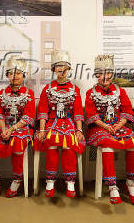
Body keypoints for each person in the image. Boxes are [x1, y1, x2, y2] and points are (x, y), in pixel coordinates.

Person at [85, 54, 134, 205]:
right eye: (101, 73)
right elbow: (92, 115)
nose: (105, 77)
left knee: (133, 142)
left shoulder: (121, 92)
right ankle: (112, 186)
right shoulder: (90, 93)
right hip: (99, 129)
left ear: (112, 74)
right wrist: (106, 126)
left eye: (108, 73)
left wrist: (118, 125)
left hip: (118, 127)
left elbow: (127, 112)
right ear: (96, 75)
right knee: (107, 143)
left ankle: (131, 183)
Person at [0, 55, 35, 197]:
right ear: (7, 76)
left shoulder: (30, 94)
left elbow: (28, 117)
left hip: (21, 128)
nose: (14, 76)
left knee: (17, 141)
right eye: (11, 73)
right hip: (3, 126)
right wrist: (4, 128)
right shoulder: (1, 93)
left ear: (24, 75)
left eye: (17, 73)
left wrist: (11, 129)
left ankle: (17, 180)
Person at [35, 50, 85, 198]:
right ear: (54, 70)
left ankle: (70, 183)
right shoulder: (48, 89)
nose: (62, 70)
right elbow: (43, 111)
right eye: (58, 67)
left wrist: (79, 130)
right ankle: (50, 182)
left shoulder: (75, 89)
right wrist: (43, 129)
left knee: (69, 143)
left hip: (69, 123)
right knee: (51, 142)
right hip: (51, 123)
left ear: (69, 69)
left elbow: (77, 112)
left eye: (64, 67)